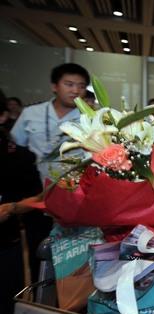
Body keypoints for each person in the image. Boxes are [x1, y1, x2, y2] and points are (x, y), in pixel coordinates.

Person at [0, 63, 90, 282]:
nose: (75, 90)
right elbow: (17, 150)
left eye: (81, 86)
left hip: (73, 202)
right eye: (69, 84)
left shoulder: (89, 118)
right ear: (54, 86)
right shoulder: (31, 114)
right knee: (36, 253)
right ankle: (40, 299)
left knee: (72, 260)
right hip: (34, 200)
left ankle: (68, 305)